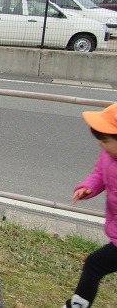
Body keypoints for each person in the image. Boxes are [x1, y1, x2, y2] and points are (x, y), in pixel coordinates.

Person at [63, 103, 117, 308]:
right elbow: (99, 174)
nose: (100, 144)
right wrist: (88, 187)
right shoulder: (108, 155)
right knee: (95, 265)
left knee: (95, 264)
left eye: (105, 140)